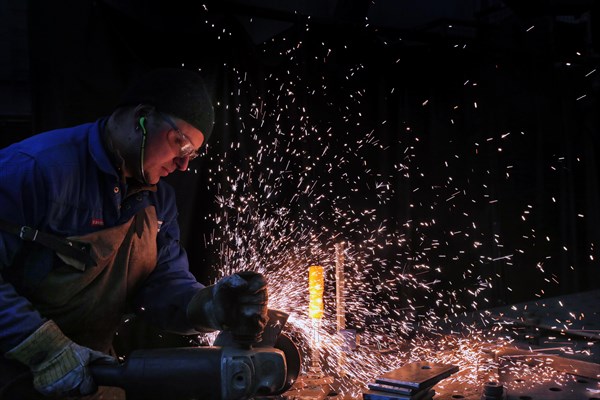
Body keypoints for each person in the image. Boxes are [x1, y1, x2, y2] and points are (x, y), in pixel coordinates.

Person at [0, 68, 269, 399]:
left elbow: (162, 285)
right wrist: (46, 349)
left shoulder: (158, 201)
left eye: (192, 155)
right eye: (180, 143)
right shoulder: (35, 169)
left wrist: (208, 306)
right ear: (142, 118)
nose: (183, 165)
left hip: (93, 370)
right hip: (14, 368)